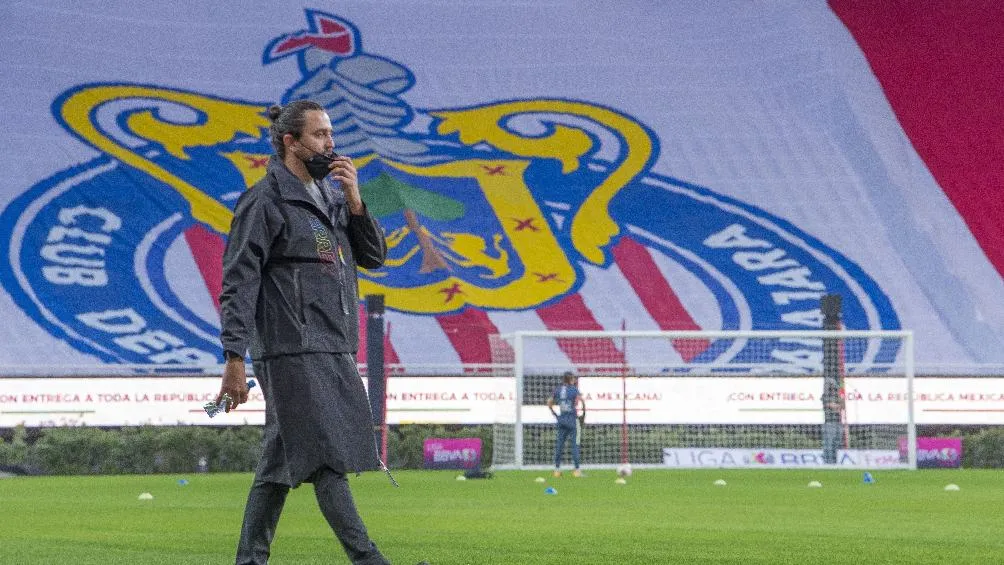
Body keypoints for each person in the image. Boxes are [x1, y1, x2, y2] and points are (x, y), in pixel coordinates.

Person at [216, 100, 424, 565]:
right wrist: (234, 357)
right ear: (291, 142)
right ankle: (369, 560)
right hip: (290, 347)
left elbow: (374, 257)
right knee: (328, 457)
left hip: (333, 344)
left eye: (331, 134)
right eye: (320, 135)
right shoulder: (264, 201)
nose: (331, 144)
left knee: (277, 464)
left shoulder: (331, 197)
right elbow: (239, 280)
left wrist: (355, 202)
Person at [547, 371, 586, 477]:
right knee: (575, 445)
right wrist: (583, 414)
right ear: (571, 380)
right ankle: (577, 470)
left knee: (559, 445)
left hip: (561, 420)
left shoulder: (558, 389)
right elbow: (581, 401)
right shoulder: (574, 389)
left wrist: (555, 414)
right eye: (573, 379)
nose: (574, 381)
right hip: (573, 420)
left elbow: (549, 402)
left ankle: (557, 470)